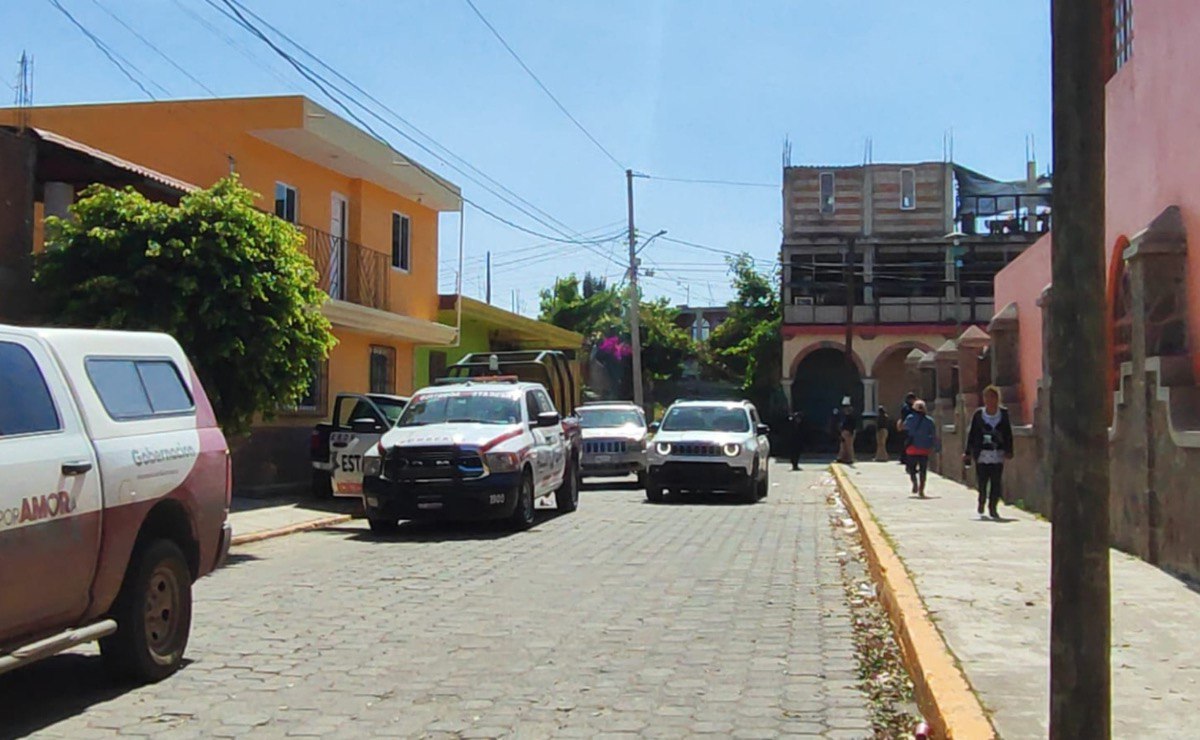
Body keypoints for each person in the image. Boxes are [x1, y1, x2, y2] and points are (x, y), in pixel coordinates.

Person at [964, 385, 1015, 519]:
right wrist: (968, 452)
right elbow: (972, 434)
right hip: (982, 454)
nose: (990, 400)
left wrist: (1009, 450)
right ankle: (981, 500)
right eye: (987, 397)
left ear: (997, 398)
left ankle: (993, 508)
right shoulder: (979, 415)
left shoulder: (1003, 414)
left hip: (997, 453)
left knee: (996, 482)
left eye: (993, 397)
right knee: (982, 481)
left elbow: (1008, 433)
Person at [903, 399, 939, 497]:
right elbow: (934, 435)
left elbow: (905, 428)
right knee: (923, 470)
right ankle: (921, 489)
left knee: (911, 469)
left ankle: (914, 483)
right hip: (924, 449)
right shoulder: (929, 421)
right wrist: (937, 447)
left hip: (912, 448)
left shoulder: (910, 418)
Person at [896, 392, 917, 467]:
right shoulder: (908, 407)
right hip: (908, 427)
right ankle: (905, 458)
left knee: (906, 443)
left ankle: (904, 458)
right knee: (908, 443)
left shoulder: (906, 406)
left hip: (907, 426)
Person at [837, 397, 857, 464]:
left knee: (848, 446)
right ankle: (844, 458)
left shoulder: (850, 417)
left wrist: (850, 432)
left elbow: (851, 425)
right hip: (845, 432)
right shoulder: (846, 416)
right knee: (844, 445)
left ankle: (849, 458)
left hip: (848, 432)